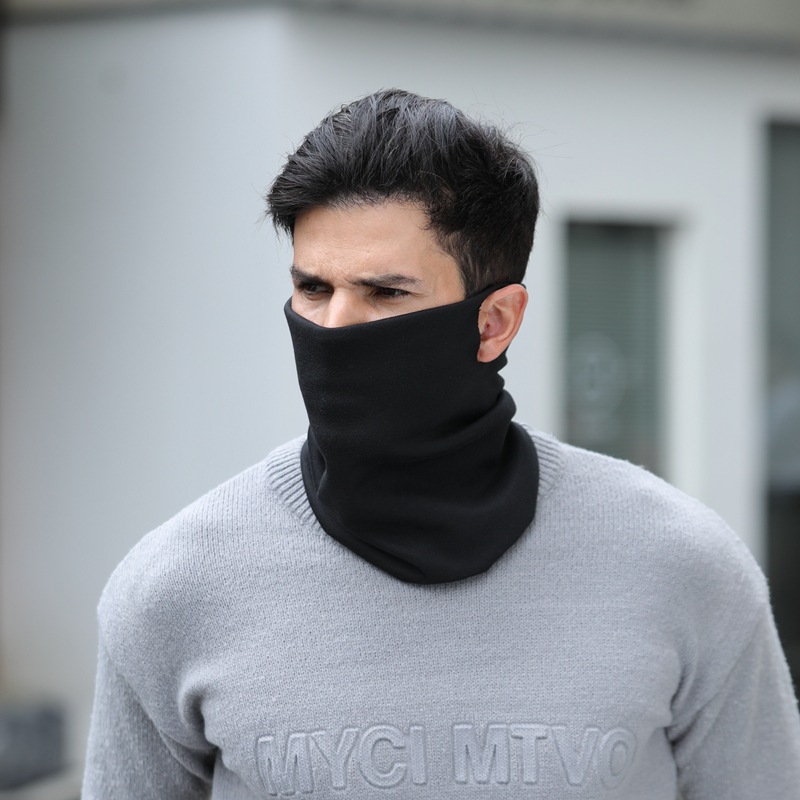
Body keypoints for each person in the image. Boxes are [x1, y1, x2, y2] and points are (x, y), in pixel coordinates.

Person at [82, 89, 800, 799]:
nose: (334, 329)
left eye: (386, 293)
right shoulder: (174, 588)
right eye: (313, 288)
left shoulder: (683, 568)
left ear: (495, 322)